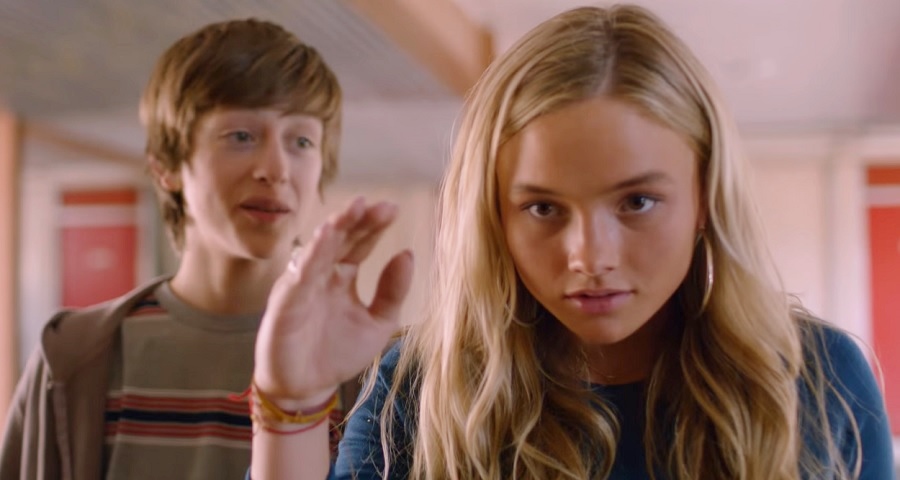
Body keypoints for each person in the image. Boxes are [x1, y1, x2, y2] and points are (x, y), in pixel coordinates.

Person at [249, 5, 894, 480]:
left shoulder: (818, 379)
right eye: (543, 208)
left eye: (637, 202)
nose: (590, 256)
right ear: (495, 218)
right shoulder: (422, 386)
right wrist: (292, 404)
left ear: (705, 197)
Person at [0, 18, 356, 479]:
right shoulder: (76, 357)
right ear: (167, 166)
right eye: (242, 136)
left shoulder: (358, 365)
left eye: (302, 141)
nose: (276, 168)